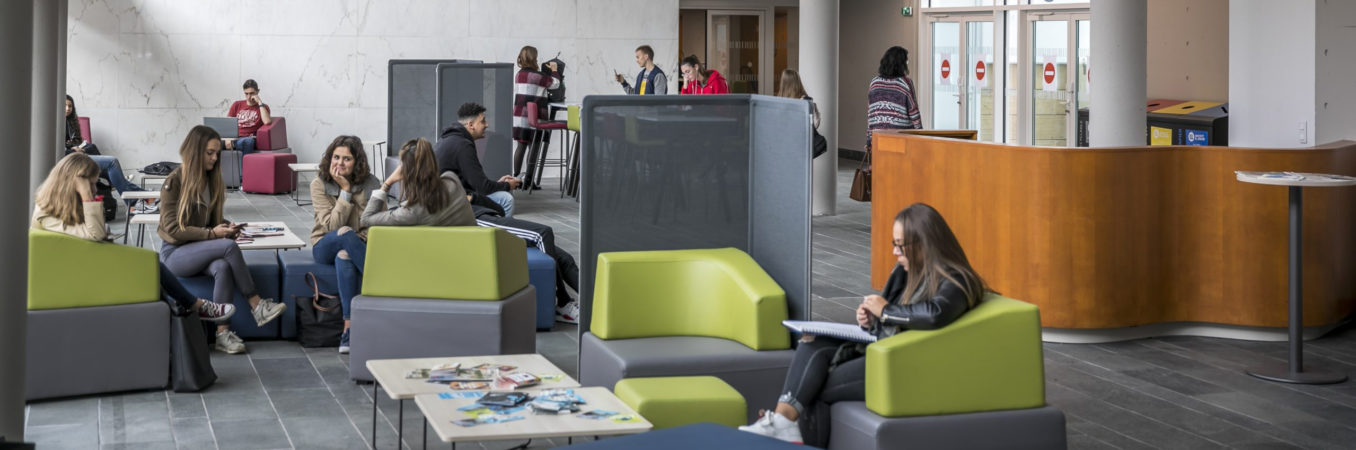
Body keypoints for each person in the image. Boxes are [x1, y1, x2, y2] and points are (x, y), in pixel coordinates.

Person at [739, 203, 988, 446]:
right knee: (812, 343)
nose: (895, 253)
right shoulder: (907, 272)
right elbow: (893, 323)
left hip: (908, 365)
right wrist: (871, 319)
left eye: (900, 246)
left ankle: (787, 428)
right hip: (886, 353)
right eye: (895, 245)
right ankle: (783, 422)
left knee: (814, 385)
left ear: (925, 244)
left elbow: (934, 315)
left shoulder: (957, 279)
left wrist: (886, 311)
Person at [32, 153, 236, 322]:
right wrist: (86, 196)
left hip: (86, 267)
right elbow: (95, 234)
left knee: (152, 271)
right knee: (152, 264)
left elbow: (93, 235)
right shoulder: (46, 213)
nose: (94, 190)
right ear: (73, 183)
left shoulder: (59, 207)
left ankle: (187, 311)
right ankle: (195, 306)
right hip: (78, 276)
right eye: (90, 184)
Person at [158, 125, 286, 354]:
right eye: (210, 153)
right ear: (195, 151)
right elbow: (172, 229)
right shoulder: (174, 181)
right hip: (175, 254)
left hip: (202, 249)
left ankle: (222, 334)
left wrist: (226, 226)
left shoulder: (212, 181)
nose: (215, 158)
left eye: (217, 153)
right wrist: (212, 235)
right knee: (227, 248)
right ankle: (256, 304)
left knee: (222, 266)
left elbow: (211, 221)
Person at [309, 135, 380, 354]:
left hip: (358, 245)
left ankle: (348, 329)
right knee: (343, 234)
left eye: (346, 159)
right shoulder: (319, 183)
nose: (339, 163)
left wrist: (357, 241)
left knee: (345, 256)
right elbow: (332, 226)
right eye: (336, 157)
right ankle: (379, 284)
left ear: (357, 162)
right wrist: (345, 191)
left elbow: (377, 224)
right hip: (325, 244)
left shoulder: (372, 184)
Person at [361, 138, 476, 228]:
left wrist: (388, 182)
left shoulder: (411, 212)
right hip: (475, 249)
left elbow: (366, 219)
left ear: (404, 171)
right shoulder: (452, 180)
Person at [63, 95, 151, 208]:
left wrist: (75, 146)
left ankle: (146, 197)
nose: (67, 108)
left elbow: (72, 142)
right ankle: (136, 201)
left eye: (70, 106)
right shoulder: (56, 122)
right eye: (65, 105)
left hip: (75, 155)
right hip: (69, 159)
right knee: (112, 162)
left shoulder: (69, 122)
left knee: (94, 150)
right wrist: (72, 149)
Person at [435, 102, 520, 217]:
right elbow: (482, 188)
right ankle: (498, 232)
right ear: (471, 125)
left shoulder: (451, 139)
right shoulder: (462, 145)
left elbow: (476, 183)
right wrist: (507, 186)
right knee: (506, 199)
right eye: (483, 121)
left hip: (447, 198)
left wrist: (498, 184)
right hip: (452, 203)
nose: (487, 125)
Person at [511, 46, 562, 186]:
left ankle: (515, 179)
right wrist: (554, 70)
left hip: (519, 116)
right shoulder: (539, 77)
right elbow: (555, 84)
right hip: (535, 117)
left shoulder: (518, 75)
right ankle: (528, 181)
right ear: (534, 59)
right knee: (534, 148)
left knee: (520, 146)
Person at [866, 46, 922, 153]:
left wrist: (869, 139)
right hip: (901, 138)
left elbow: (871, 114)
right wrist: (920, 135)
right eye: (906, 61)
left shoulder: (874, 82)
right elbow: (914, 113)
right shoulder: (905, 83)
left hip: (878, 138)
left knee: (882, 168)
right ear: (901, 64)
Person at [224, 79, 272, 153]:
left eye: (252, 93)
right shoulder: (237, 104)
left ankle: (245, 164)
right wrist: (228, 139)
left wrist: (259, 102)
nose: (249, 97)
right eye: (246, 94)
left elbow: (267, 121)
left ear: (258, 91)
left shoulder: (263, 107)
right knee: (209, 142)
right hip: (234, 138)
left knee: (248, 142)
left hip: (248, 138)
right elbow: (228, 124)